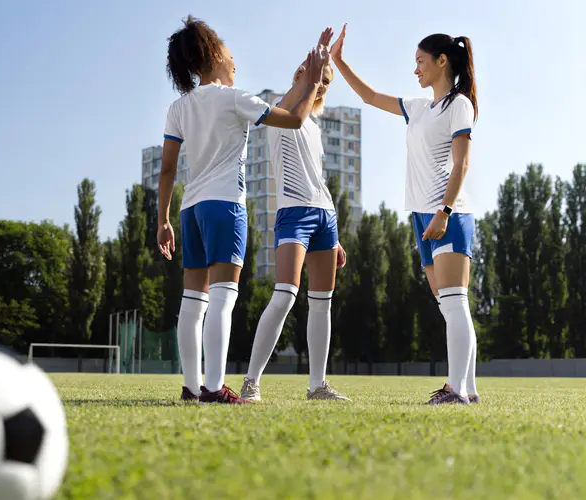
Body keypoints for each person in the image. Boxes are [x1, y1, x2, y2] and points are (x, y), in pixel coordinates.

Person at [158, 16, 333, 403]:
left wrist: (163, 220)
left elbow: (168, 167)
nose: (235, 62)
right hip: (225, 207)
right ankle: (216, 386)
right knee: (223, 296)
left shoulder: (178, 107)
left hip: (190, 210)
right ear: (214, 54)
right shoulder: (235, 98)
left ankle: (191, 387)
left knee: (193, 300)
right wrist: (310, 85)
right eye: (231, 55)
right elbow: (294, 119)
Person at [330, 24, 479, 404]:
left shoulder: (459, 104)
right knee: (449, 305)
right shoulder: (417, 108)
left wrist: (444, 212)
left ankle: (456, 389)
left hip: (449, 213)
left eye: (420, 62)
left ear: (442, 61)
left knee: (455, 300)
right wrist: (339, 61)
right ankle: (470, 390)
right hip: (420, 216)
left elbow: (461, 164)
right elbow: (369, 96)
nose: (415, 70)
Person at [240, 52, 349, 402]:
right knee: (285, 295)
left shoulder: (315, 129)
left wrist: (338, 238)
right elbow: (294, 106)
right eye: (310, 71)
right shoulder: (280, 108)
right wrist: (311, 74)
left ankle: (317, 385)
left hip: (325, 215)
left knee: (322, 303)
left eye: (324, 80)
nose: (316, 80)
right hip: (293, 213)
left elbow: (317, 178)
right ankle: (251, 383)